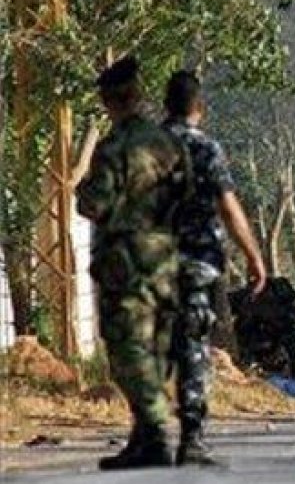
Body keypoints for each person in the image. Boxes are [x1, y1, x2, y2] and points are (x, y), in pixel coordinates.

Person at [77, 56, 189, 469]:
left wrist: (84, 193)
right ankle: (144, 438)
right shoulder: (168, 143)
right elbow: (189, 196)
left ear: (108, 101)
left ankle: (156, 432)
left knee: (126, 348)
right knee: (157, 346)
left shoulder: (114, 147)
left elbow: (95, 203)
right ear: (138, 95)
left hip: (127, 258)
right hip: (167, 254)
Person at [161, 70, 268, 466]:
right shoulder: (205, 148)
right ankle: (191, 437)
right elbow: (228, 207)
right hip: (195, 259)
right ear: (198, 109)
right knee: (192, 343)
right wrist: (254, 257)